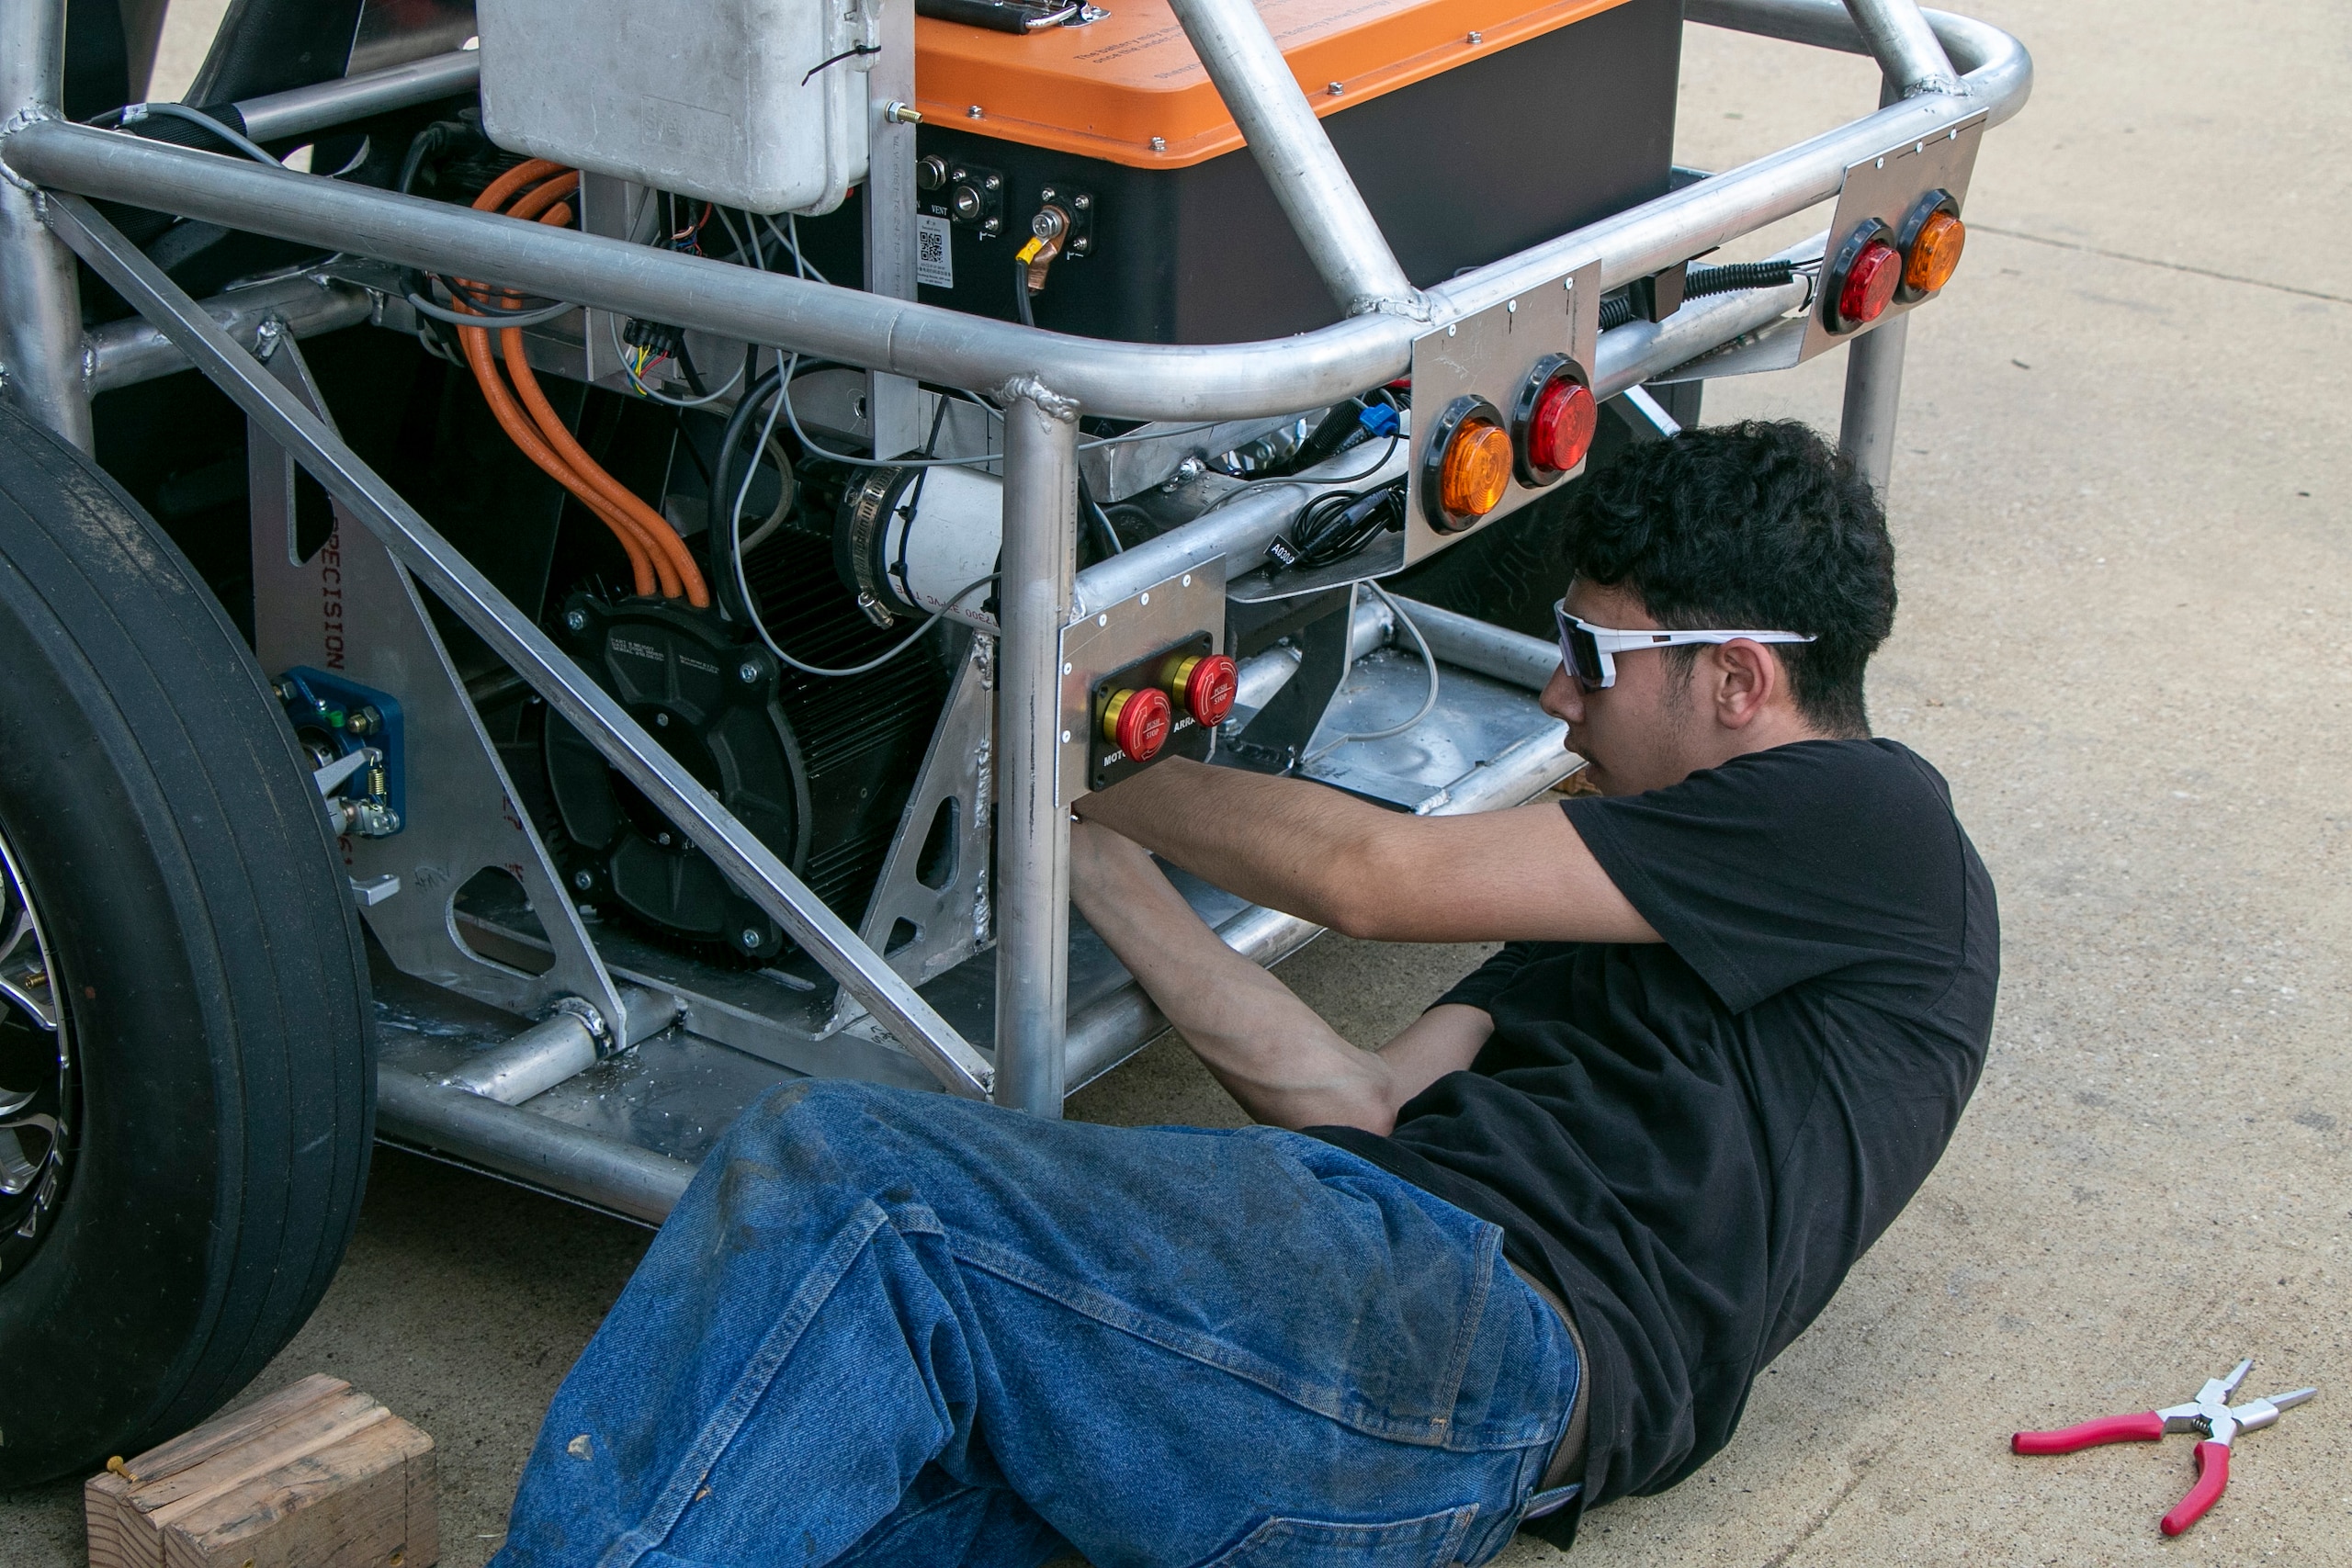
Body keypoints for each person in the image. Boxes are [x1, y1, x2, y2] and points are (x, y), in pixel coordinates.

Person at [490, 420, 1997, 1568]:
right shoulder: (1657, 897)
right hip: (1400, 1445)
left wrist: (1075, 734)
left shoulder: (1874, 822)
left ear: (1739, 682)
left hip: (1462, 1336)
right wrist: (1088, 858)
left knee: (844, 1178)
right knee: (853, 1496)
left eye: (1590, 656)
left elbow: (1370, 877)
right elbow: (1361, 1097)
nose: (1555, 694)